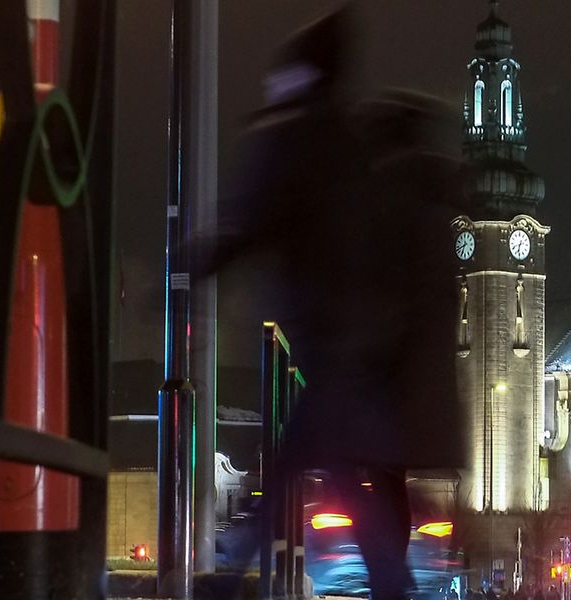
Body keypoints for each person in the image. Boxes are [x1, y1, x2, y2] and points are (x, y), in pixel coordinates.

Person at [199, 9, 466, 600]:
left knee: (313, 469)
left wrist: (193, 268)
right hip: (362, 351)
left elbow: (251, 220)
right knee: (338, 473)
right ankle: (387, 583)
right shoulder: (360, 155)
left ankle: (225, 583)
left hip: (336, 345)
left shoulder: (303, 140)